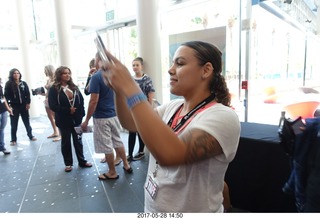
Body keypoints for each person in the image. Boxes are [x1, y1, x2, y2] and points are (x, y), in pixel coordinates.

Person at [103, 41, 240, 212]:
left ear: (206, 70)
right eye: (173, 62)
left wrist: (131, 87)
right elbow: (130, 123)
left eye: (180, 63)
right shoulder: (172, 107)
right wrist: (118, 90)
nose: (170, 69)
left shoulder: (223, 117)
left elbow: (172, 155)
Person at [81, 52, 132, 180]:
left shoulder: (97, 77)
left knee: (106, 145)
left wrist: (86, 120)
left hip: (101, 117)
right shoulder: (113, 75)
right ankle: (126, 164)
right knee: (117, 140)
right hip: (114, 115)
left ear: (98, 60)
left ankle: (112, 172)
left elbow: (93, 101)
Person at [48, 66, 92, 172]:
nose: (67, 75)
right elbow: (52, 106)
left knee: (78, 140)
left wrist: (81, 114)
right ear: (59, 75)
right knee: (66, 142)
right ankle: (68, 164)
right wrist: (68, 110)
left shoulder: (74, 87)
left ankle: (82, 161)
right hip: (63, 120)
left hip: (76, 119)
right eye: (64, 73)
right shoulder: (54, 89)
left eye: (69, 73)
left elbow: (80, 100)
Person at [127, 57, 155, 162]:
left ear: (141, 66)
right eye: (133, 65)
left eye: (137, 65)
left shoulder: (146, 79)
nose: (135, 67)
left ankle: (141, 151)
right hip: (132, 109)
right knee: (132, 131)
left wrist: (148, 109)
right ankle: (129, 154)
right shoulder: (131, 79)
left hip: (143, 110)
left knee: (140, 132)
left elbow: (150, 94)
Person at [4, 68, 37, 145]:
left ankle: (30, 135)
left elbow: (27, 94)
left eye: (18, 73)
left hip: (23, 105)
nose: (16, 74)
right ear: (12, 75)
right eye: (14, 73)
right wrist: (9, 107)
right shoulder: (8, 84)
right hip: (14, 106)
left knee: (27, 121)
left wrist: (28, 103)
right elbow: (6, 96)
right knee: (14, 123)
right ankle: (13, 139)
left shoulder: (23, 83)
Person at [43, 65, 61, 142]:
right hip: (47, 100)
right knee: (50, 117)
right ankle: (55, 132)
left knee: (56, 117)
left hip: (53, 100)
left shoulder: (56, 79)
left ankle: (61, 134)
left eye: (45, 70)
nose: (44, 72)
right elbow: (47, 92)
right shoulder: (48, 80)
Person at [0, 77, 13, 155]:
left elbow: (3, 97)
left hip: (3, 110)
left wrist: (8, 108)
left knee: (1, 129)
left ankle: (2, 147)